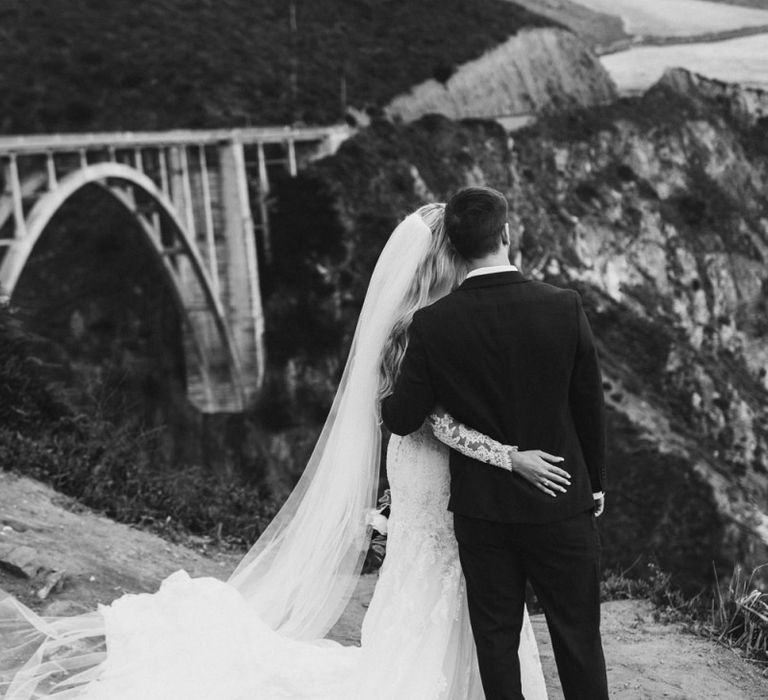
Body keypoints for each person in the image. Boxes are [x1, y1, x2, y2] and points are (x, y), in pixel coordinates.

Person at [0, 203, 549, 700]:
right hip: (429, 464)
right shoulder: (413, 325)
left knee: (451, 561)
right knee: (437, 560)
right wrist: (502, 450)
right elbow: (415, 415)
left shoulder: (432, 316)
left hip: (435, 464)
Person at [382, 187, 609, 700]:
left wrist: (377, 402)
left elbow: (402, 419)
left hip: (482, 513)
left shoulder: (432, 324)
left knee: (496, 643)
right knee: (578, 640)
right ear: (506, 234)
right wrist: (593, 485)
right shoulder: (563, 306)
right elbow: (589, 407)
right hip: (561, 498)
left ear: (455, 248)